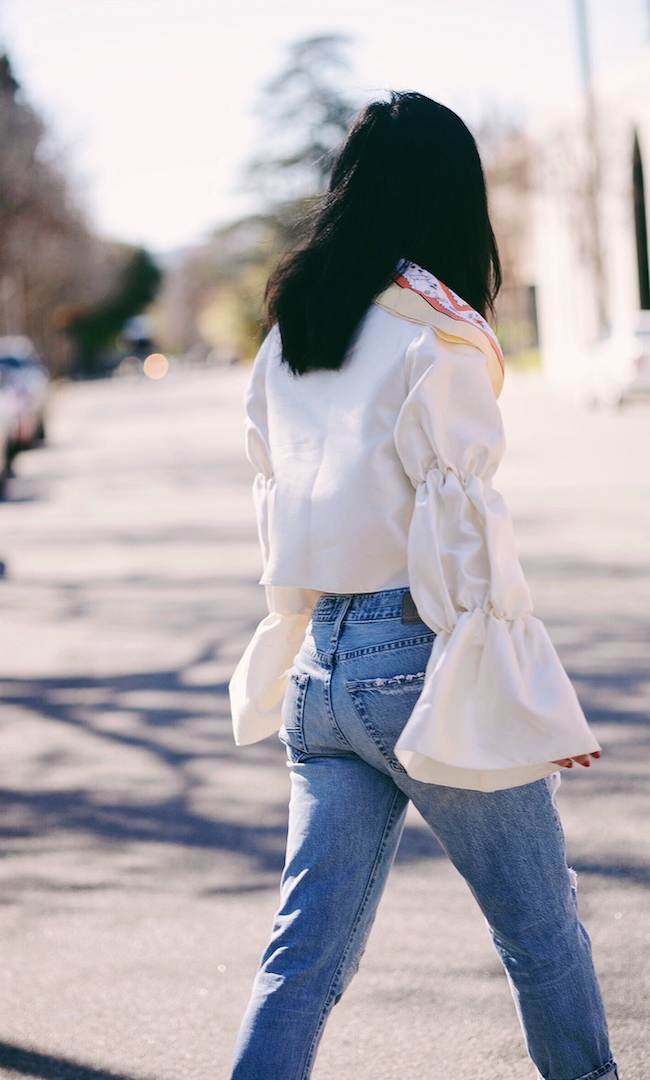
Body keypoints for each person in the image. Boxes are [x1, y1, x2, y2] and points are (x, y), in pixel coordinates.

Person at [228, 91, 617, 1080]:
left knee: (299, 965)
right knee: (541, 939)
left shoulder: (288, 333)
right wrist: (525, 697)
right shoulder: (433, 338)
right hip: (421, 660)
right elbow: (465, 539)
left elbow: (274, 508)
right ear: (450, 198)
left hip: (319, 675)